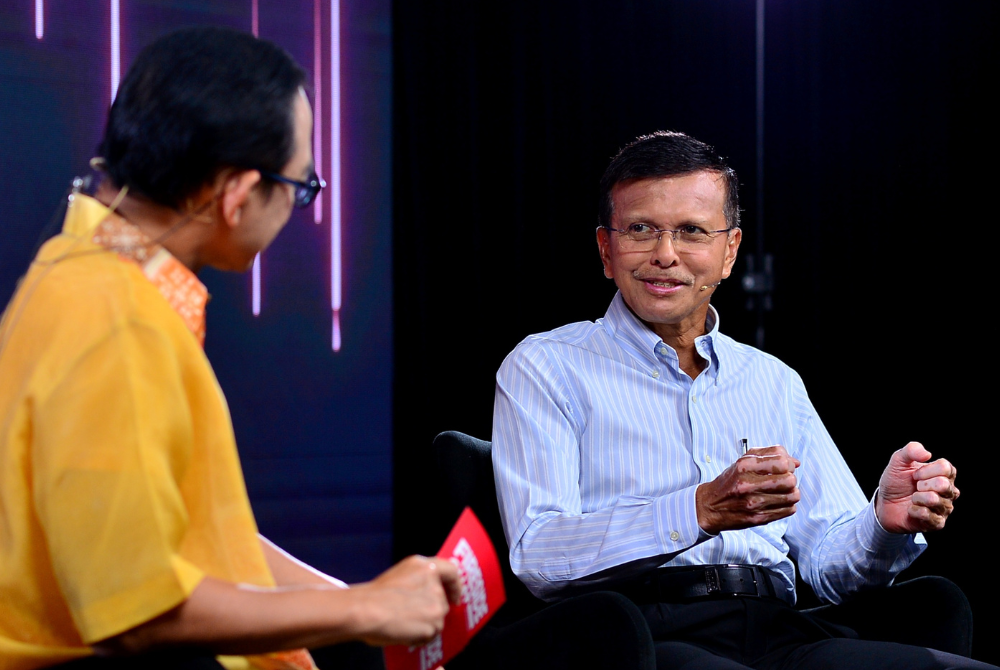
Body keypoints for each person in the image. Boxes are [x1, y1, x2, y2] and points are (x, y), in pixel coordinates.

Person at [0, 27, 460, 670]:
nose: (298, 207)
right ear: (239, 195)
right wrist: (364, 610)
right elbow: (138, 609)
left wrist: (364, 601)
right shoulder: (118, 321)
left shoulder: (81, 267)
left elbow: (193, 537)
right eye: (301, 188)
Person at [492, 130, 992, 669]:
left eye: (690, 232)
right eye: (641, 229)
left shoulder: (772, 381)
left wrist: (883, 524)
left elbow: (828, 564)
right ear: (605, 249)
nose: (665, 255)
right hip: (640, 637)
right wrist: (699, 509)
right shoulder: (547, 365)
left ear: (728, 251)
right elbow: (540, 554)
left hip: (783, 630)